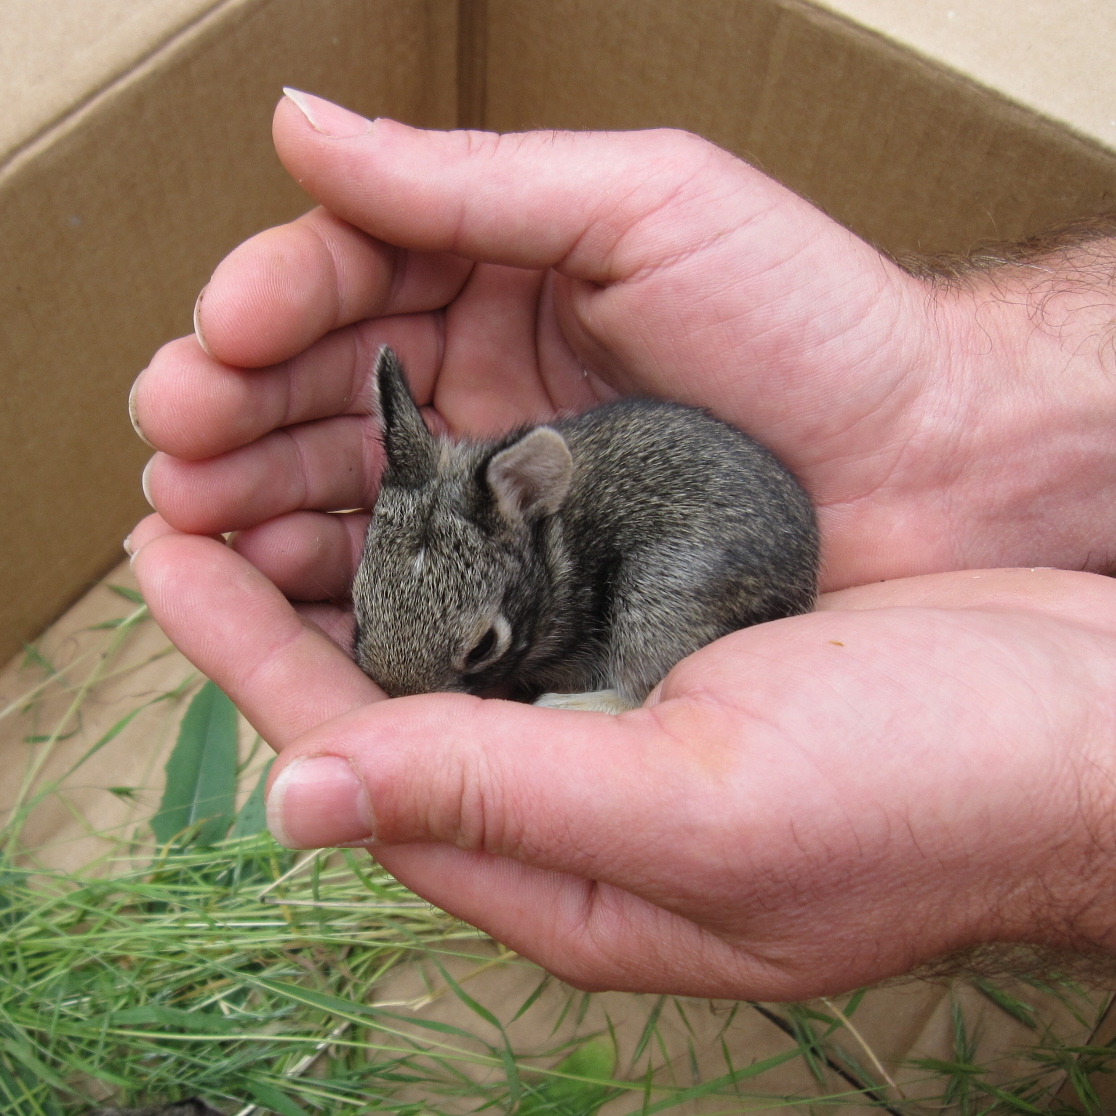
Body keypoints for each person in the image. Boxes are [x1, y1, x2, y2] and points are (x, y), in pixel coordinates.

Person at [126, 90, 1116, 1002]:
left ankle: (631, 686)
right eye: (370, 632)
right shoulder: (427, 482)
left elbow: (573, 609)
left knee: (652, 596)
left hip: (719, 536)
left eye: (474, 651)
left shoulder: (536, 519)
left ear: (525, 499)